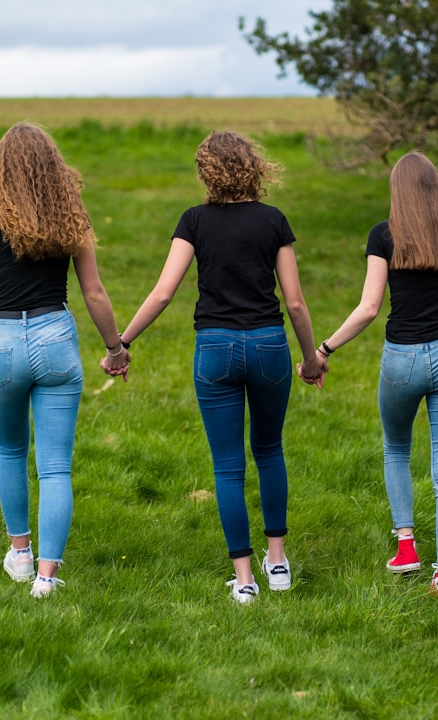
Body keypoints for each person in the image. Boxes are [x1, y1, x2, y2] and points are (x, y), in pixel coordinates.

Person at [0, 122, 128, 600]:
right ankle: (48, 579)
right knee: (55, 468)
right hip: (56, 336)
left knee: (11, 450)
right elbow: (93, 292)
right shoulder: (71, 214)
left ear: (1, 169)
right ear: (53, 167)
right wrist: (115, 348)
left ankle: (20, 553)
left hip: (2, 341)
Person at [111, 131, 325, 604]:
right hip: (269, 345)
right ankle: (279, 562)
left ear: (206, 171)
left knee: (228, 468)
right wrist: (311, 358)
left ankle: (244, 581)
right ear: (254, 166)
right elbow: (294, 301)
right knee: (269, 451)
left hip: (215, 348)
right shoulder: (274, 221)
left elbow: (164, 292)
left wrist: (121, 343)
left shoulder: (194, 221)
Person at [309, 152, 438, 597]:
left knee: (396, 449)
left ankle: (406, 547)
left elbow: (369, 307)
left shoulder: (384, 235)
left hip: (401, 358)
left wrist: (324, 348)